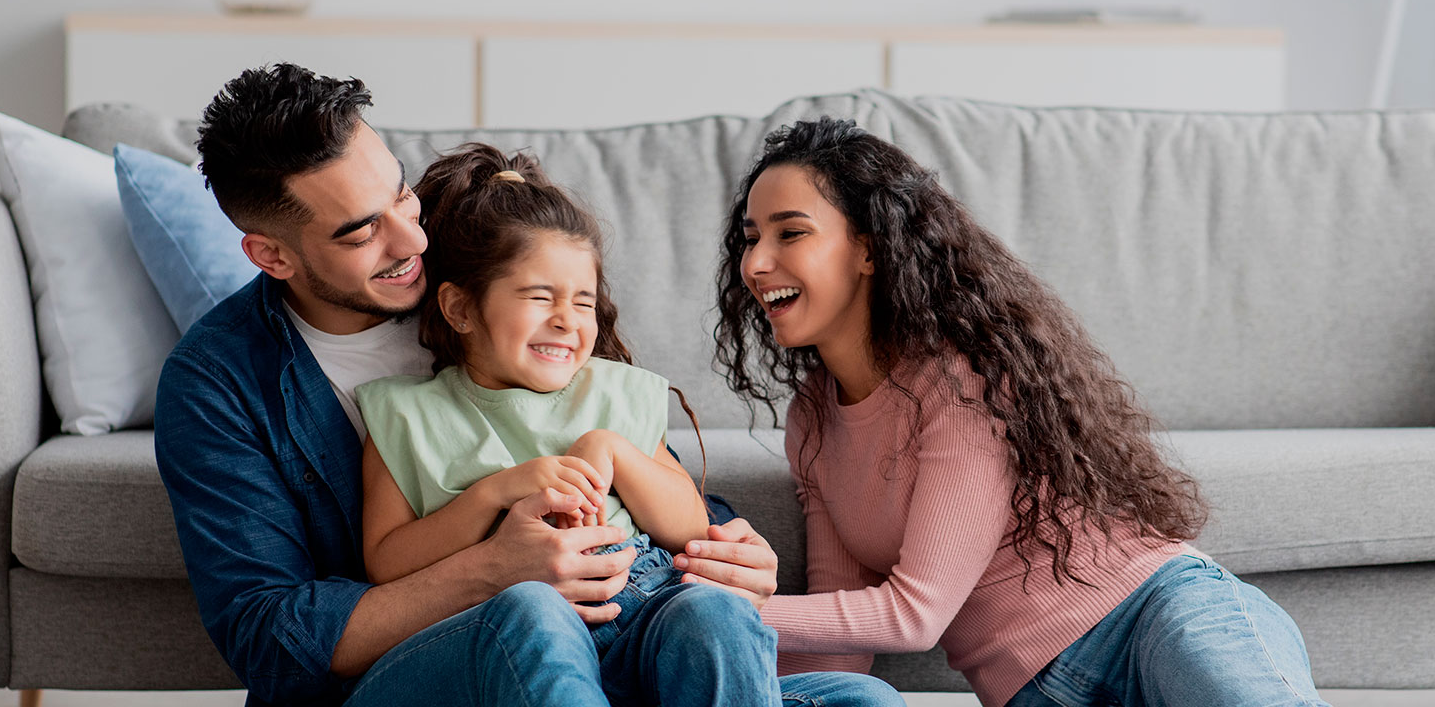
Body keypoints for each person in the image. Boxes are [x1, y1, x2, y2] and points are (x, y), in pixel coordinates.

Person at [155, 63, 901, 707]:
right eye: (359, 232)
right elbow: (273, 638)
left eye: (402, 196)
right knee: (530, 615)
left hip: (616, 638)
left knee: (863, 698)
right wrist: (490, 569)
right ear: (271, 255)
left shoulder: (489, 265)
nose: (412, 241)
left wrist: (727, 550)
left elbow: (622, 459)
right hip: (430, 666)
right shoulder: (218, 383)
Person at [687, 117, 1332, 707]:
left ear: (869, 248)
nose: (755, 263)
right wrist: (684, 644)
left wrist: (724, 608)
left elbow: (915, 615)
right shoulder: (812, 420)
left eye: (790, 233)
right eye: (750, 239)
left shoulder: (958, 376)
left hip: (1157, 619)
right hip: (1034, 693)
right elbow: (844, 646)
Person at [353, 143, 780, 704]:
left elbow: (691, 527)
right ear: (460, 309)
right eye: (539, 296)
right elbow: (386, 560)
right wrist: (491, 495)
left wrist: (614, 451)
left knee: (728, 616)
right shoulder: (408, 416)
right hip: (521, 640)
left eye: (583, 301)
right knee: (537, 614)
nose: (567, 319)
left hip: (648, 616)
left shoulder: (615, 392)